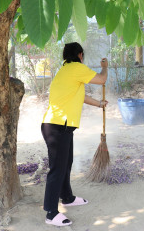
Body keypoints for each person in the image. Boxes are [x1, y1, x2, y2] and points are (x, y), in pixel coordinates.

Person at [41, 42, 109, 226]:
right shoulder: (75, 67)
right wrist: (104, 67)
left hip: (59, 126)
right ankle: (51, 213)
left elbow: (80, 97)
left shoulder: (65, 70)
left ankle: (67, 197)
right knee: (57, 168)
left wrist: (99, 104)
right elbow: (102, 79)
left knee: (66, 162)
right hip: (57, 126)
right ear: (80, 55)